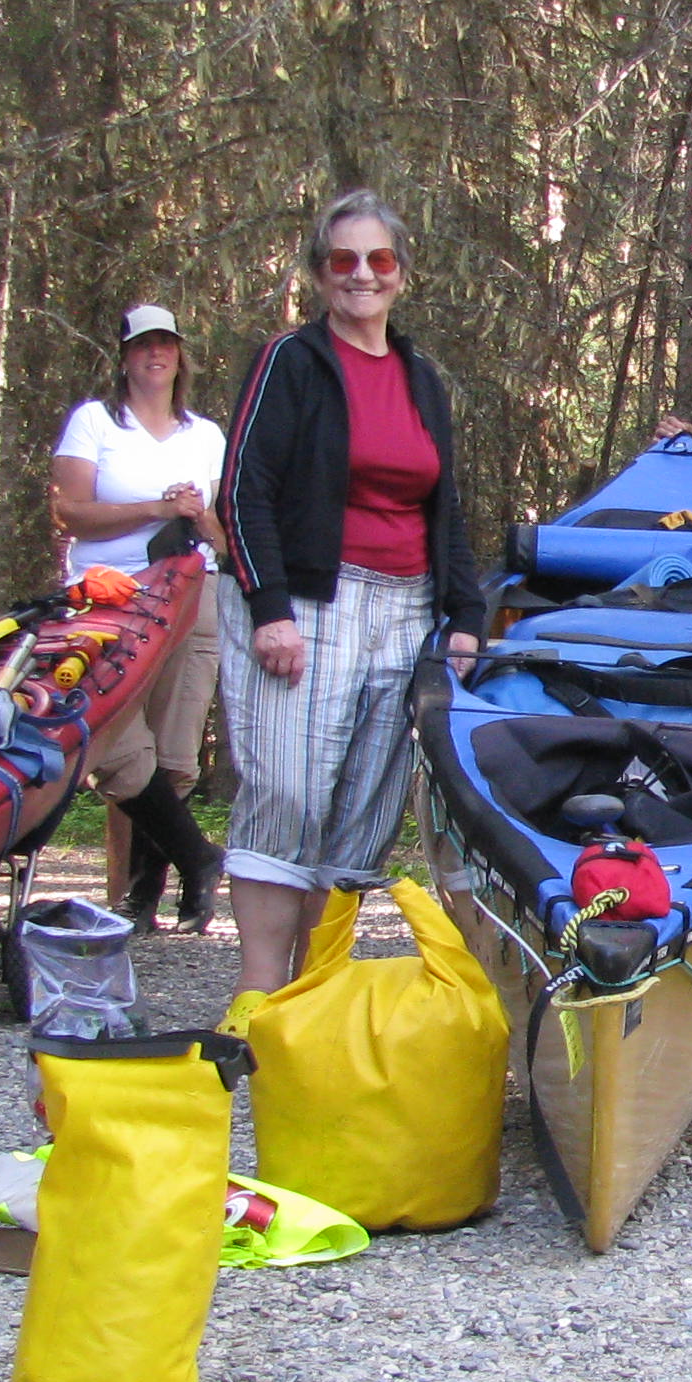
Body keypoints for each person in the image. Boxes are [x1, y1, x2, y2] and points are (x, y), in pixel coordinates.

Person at [213, 190, 484, 1010]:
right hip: (308, 607)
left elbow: (446, 508)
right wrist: (270, 610)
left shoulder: (422, 379)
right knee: (287, 796)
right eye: (343, 261)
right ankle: (260, 997)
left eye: (378, 260)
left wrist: (466, 614)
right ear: (320, 273)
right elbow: (243, 490)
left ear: (402, 273)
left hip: (404, 613)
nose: (361, 276)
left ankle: (314, 996)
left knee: (359, 810)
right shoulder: (291, 363)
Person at [47, 304, 228, 934]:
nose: (157, 355)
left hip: (188, 587)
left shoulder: (204, 435)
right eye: (144, 345)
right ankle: (192, 858)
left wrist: (195, 515)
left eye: (167, 345)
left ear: (180, 356)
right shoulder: (95, 423)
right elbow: (71, 511)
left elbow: (225, 534)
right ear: (124, 356)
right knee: (113, 739)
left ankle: (147, 894)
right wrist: (156, 506)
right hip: (107, 594)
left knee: (175, 747)